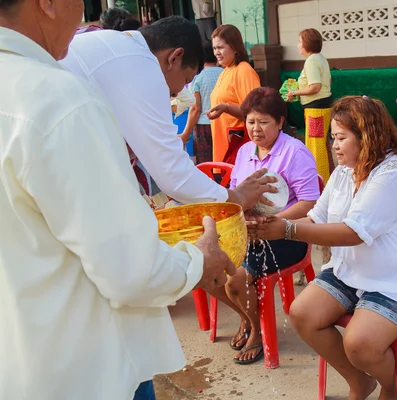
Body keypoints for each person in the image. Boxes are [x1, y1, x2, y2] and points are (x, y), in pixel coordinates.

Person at [0, 1, 236, 399]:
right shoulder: (62, 100)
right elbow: (133, 270)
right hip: (88, 367)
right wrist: (198, 259)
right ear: (50, 4)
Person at [250, 96, 397, 399]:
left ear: (367, 136)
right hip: (355, 268)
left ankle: (392, 387)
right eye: (333, 138)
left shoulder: (393, 173)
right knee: (302, 313)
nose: (334, 145)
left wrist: (287, 230)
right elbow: (317, 217)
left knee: (359, 343)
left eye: (342, 138)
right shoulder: (345, 171)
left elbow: (353, 233)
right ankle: (359, 381)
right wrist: (270, 226)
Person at [60, 17, 275, 210]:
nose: (179, 92)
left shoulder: (116, 44)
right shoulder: (142, 64)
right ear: (174, 57)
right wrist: (236, 197)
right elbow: (173, 173)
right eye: (186, 80)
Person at [205, 87, 320, 365]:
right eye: (251, 121)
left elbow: (309, 202)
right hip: (248, 230)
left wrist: (273, 223)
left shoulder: (295, 152)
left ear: (280, 122)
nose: (255, 129)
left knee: (234, 279)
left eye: (264, 122)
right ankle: (248, 317)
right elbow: (235, 194)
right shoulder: (245, 151)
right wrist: (240, 219)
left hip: (285, 235)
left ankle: (256, 331)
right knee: (205, 269)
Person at [207, 24, 260, 164]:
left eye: (220, 47)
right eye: (214, 48)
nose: (216, 52)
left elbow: (255, 112)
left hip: (237, 150)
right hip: (223, 149)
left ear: (235, 48)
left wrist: (226, 108)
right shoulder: (226, 70)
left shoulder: (243, 70)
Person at [286, 28, 334, 183]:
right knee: (322, 145)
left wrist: (295, 93)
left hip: (315, 110)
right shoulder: (321, 58)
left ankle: (320, 182)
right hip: (321, 107)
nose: (298, 45)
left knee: (315, 148)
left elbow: (315, 86)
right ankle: (326, 179)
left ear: (307, 44)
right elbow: (328, 81)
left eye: (300, 41)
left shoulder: (311, 61)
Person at [179, 40, 223, 163]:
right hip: (222, 124)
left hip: (203, 126)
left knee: (206, 163)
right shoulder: (225, 73)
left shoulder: (197, 77)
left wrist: (185, 134)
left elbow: (195, 108)